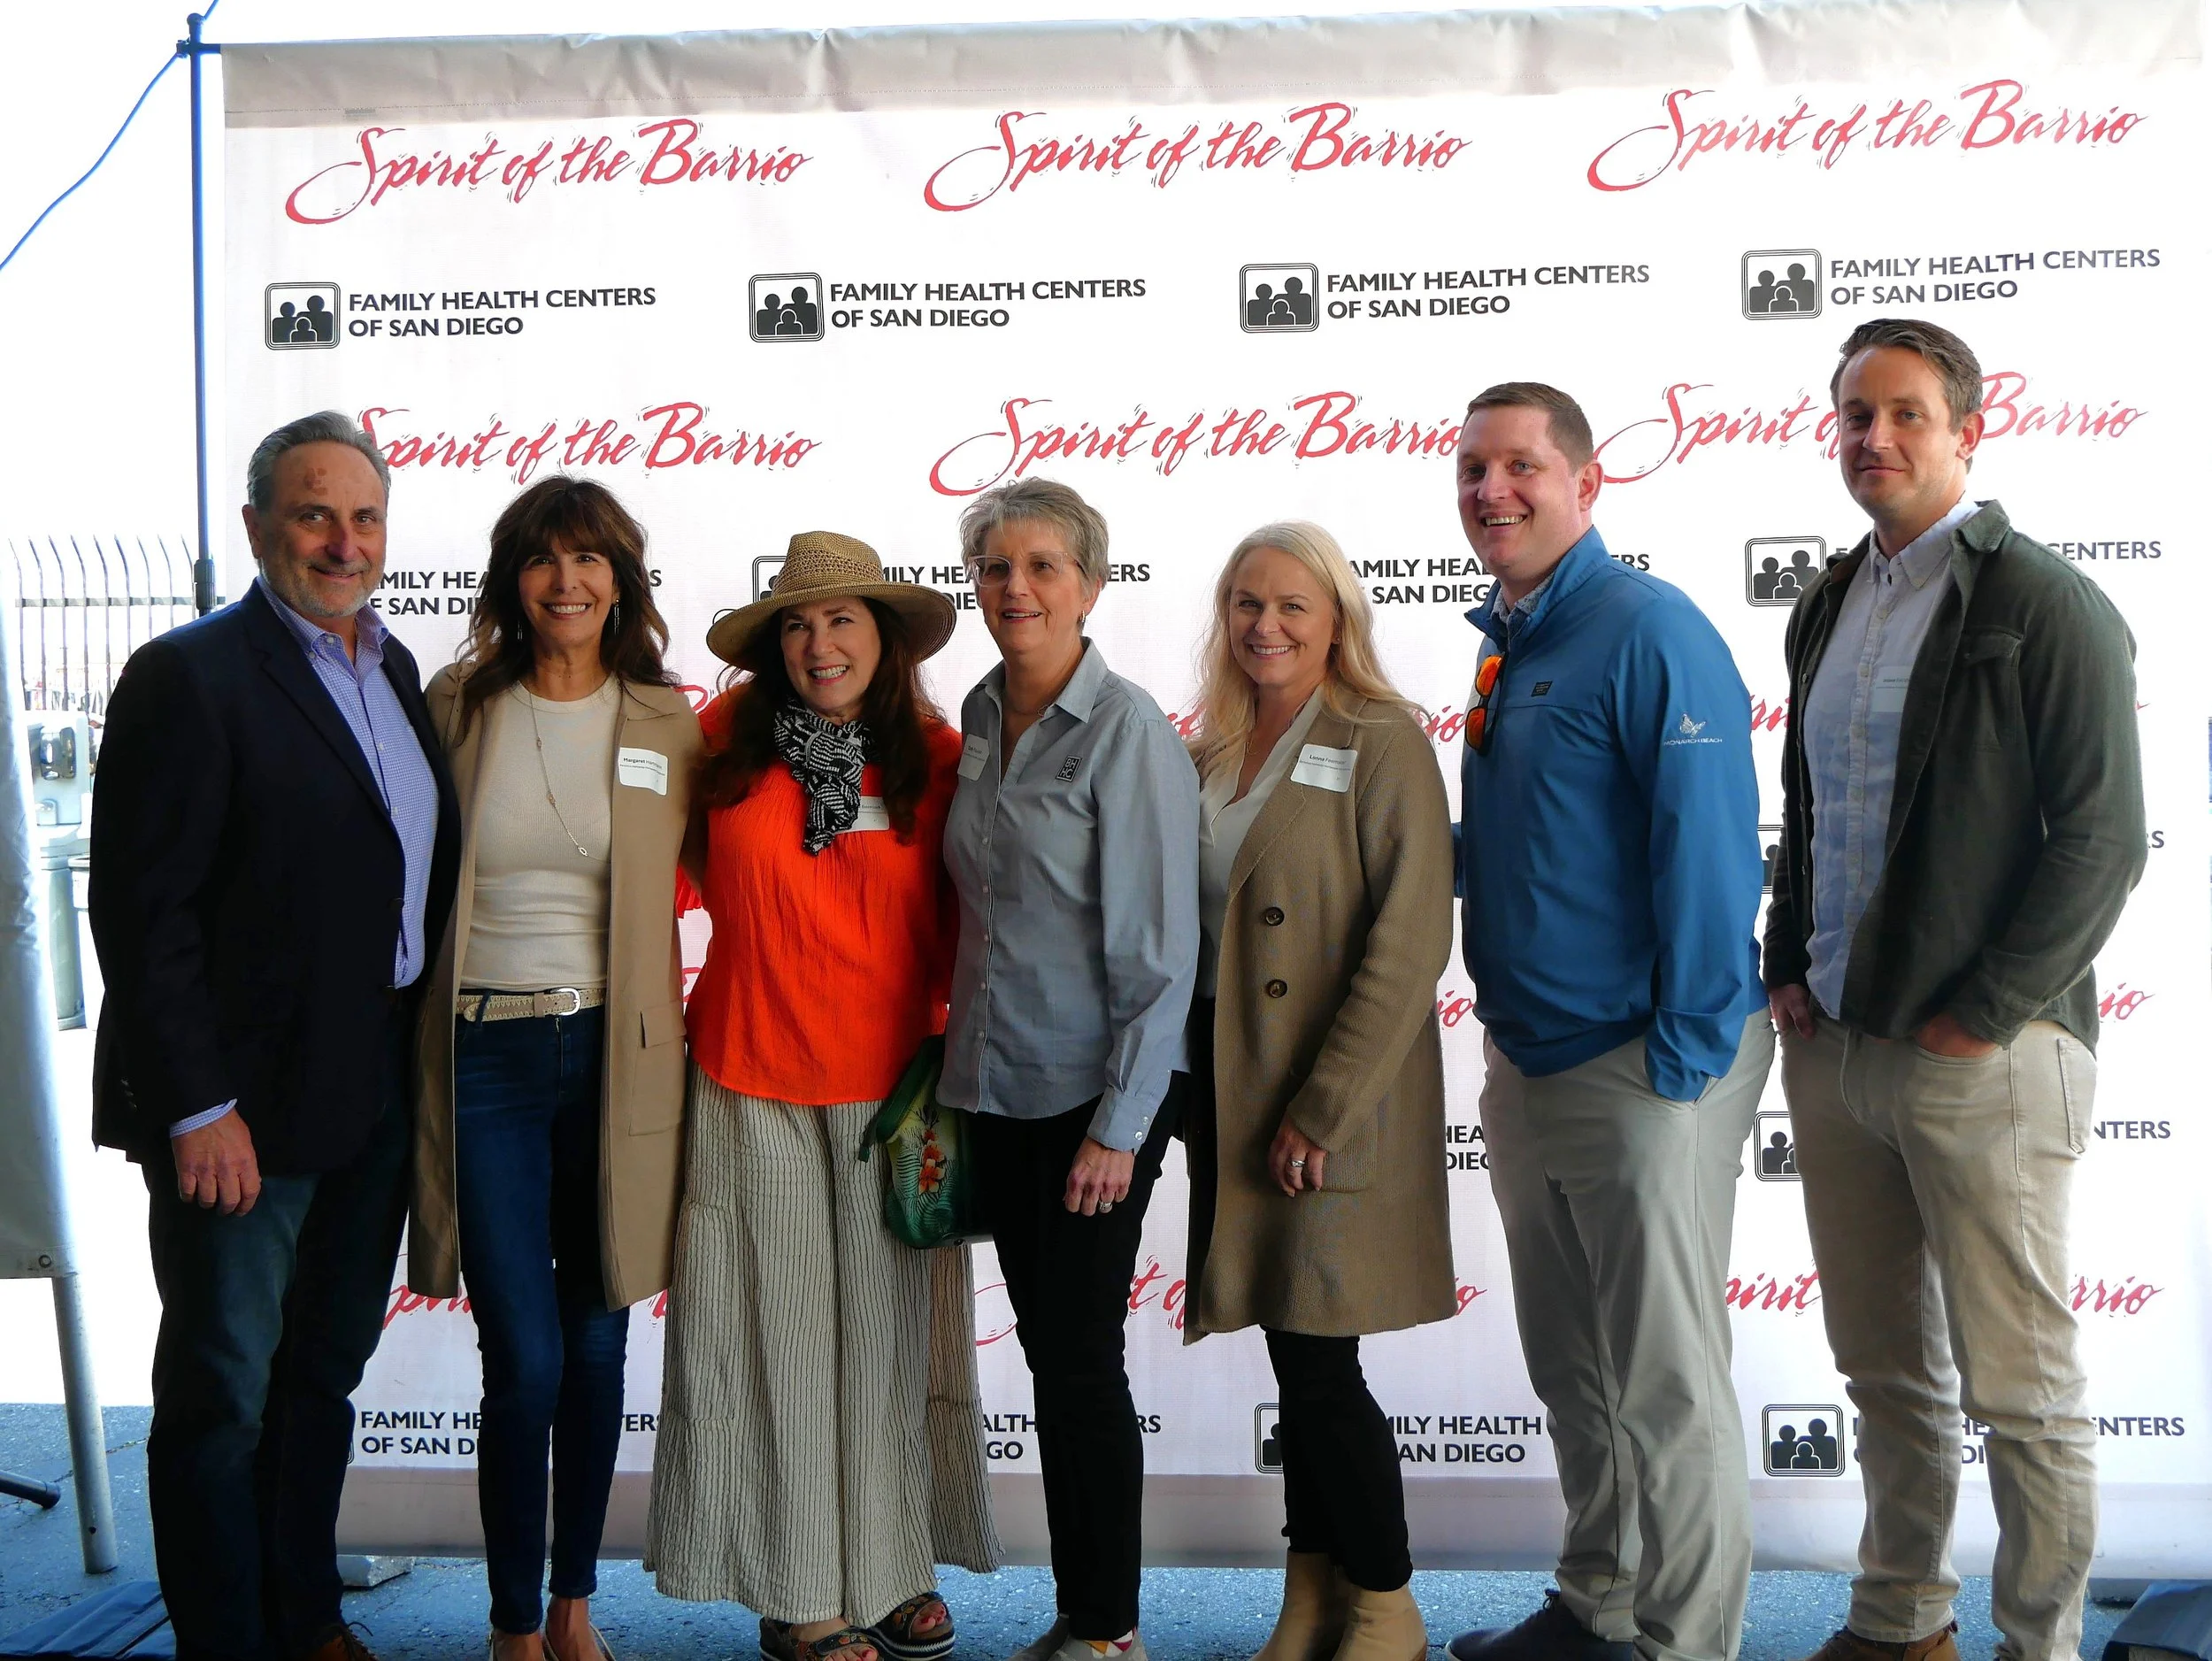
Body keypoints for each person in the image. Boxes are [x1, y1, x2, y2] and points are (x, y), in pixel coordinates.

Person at [1765, 319, 2145, 1661]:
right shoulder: (1828, 603)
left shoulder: (2043, 601)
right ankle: (1901, 1624)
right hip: (1842, 1046)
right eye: (1854, 414)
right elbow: (1814, 809)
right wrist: (1785, 960)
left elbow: (2102, 839)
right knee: (1884, 1371)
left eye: (1905, 414)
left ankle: (2038, 1646)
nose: (1873, 437)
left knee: (2021, 1390)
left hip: (1988, 1055)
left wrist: (1982, 1012)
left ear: (1968, 433)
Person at [88, 411, 459, 1661]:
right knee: (220, 1398)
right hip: (237, 1114)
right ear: (257, 527)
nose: (343, 542)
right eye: (314, 514)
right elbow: (143, 913)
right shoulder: (188, 675)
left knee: (320, 1378)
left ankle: (304, 1617)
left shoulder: (393, 668)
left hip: (367, 1095)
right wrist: (196, 1105)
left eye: (364, 517)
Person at [1446, 383, 1774, 1661]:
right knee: (1574, 1367)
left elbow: (1710, 857)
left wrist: (1680, 1065)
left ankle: (1686, 1644)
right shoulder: (1509, 637)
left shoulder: (1652, 630)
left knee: (1666, 1383)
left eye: (1521, 466)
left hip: (1644, 1061)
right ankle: (1601, 1604)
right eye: (1474, 468)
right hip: (1532, 1058)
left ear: (1585, 483)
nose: (1492, 490)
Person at [648, 532, 998, 1661]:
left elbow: (977, 923)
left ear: (885, 639)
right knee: (777, 1344)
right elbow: (661, 870)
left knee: (888, 1350)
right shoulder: (720, 740)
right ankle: (801, 1591)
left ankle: (891, 1568)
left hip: (894, 1094)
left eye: (842, 618)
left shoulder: (939, 757)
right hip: (746, 1072)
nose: (818, 643)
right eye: (796, 624)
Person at [402, 476, 700, 1661]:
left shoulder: (667, 720)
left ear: (620, 581)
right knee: (522, 1356)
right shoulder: (456, 705)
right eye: (542, 559)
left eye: (589, 559)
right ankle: (512, 1623)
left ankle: (574, 1606)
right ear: (511, 581)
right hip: (485, 1055)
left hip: (620, 1061)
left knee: (596, 1345)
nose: (566, 581)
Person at [1181, 522, 1456, 1661]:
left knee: (1320, 1358)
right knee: (1293, 1355)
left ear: (1338, 618)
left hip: (1330, 1097)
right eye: (1247, 602)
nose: (1266, 624)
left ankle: (1386, 1600)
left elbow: (1410, 940)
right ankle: (1315, 1592)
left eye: (1293, 604)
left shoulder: (1381, 738)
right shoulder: (1212, 746)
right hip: (1229, 1084)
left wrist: (1324, 1102)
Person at [940, 479, 1199, 1661]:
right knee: (1053, 1358)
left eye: (1043, 566)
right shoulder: (980, 712)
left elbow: (1160, 952)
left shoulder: (1129, 731)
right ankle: (1083, 1612)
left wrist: (1118, 1128)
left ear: (1090, 586)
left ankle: (1108, 1629)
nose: (1016, 588)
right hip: (997, 1089)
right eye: (996, 567)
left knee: (1082, 1361)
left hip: (1093, 1104)